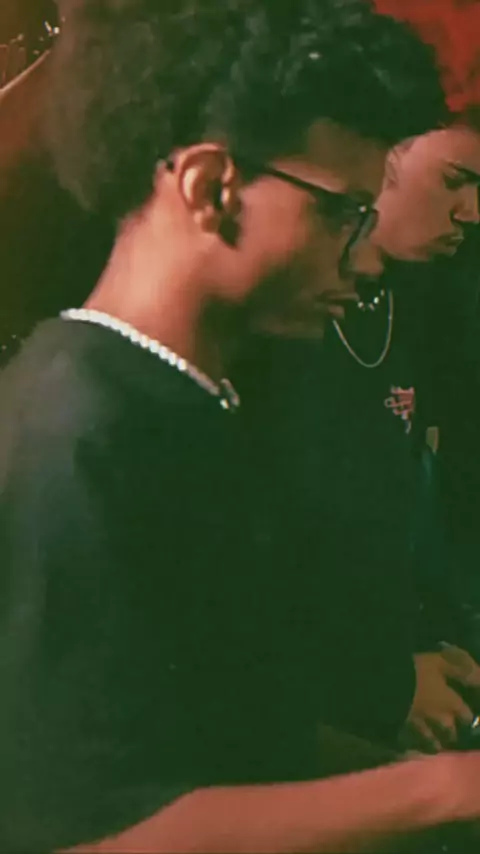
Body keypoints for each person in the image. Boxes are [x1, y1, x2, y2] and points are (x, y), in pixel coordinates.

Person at [3, 1, 480, 852]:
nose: (365, 256)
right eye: (343, 215)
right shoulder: (76, 433)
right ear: (210, 188)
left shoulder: (184, 399)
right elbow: (81, 831)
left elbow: (232, 736)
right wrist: (443, 790)